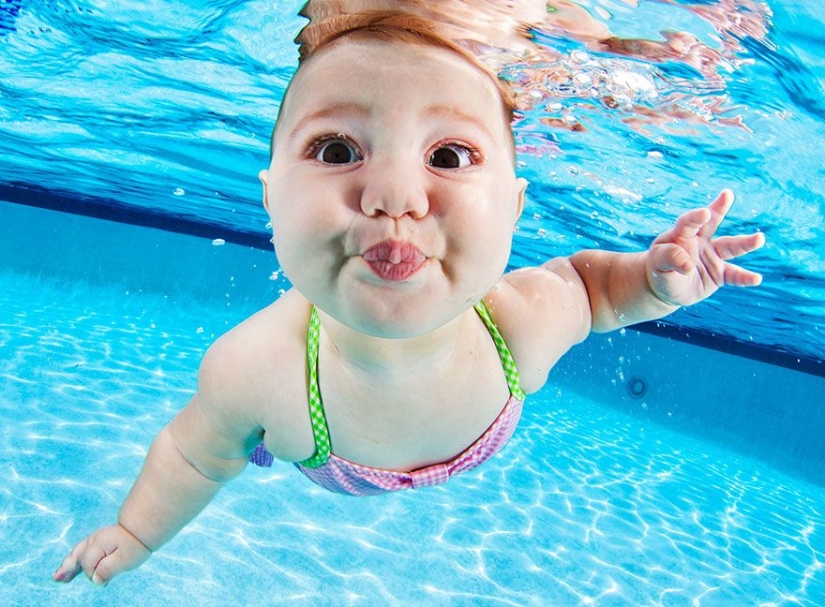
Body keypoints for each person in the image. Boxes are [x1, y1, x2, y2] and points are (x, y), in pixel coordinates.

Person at [53, 10, 765, 586]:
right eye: (337, 150)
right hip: (318, 452)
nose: (392, 194)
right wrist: (136, 530)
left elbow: (596, 291)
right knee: (240, 434)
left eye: (448, 157)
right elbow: (194, 457)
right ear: (270, 198)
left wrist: (654, 280)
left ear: (514, 210)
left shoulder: (518, 324)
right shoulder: (256, 370)